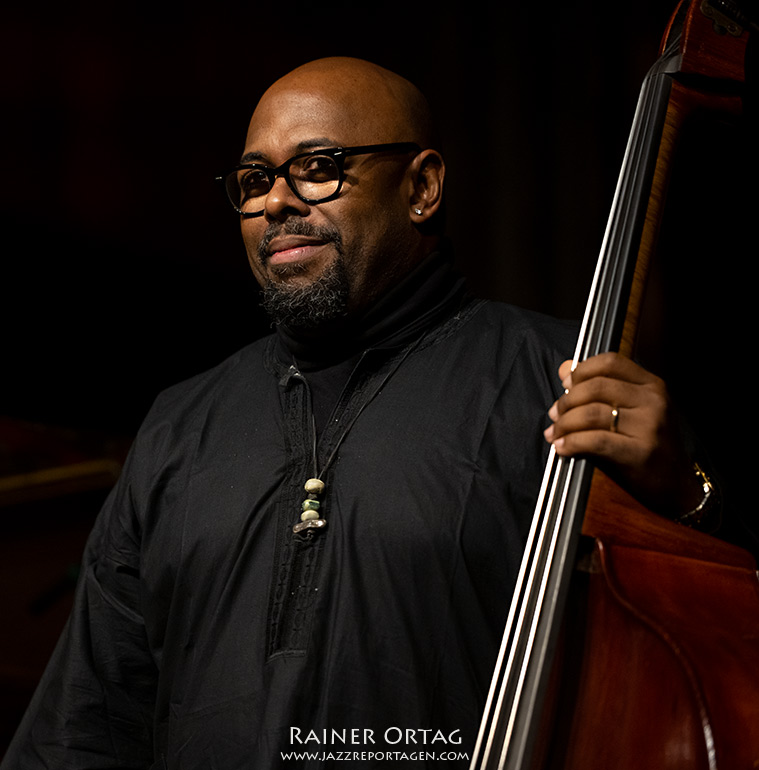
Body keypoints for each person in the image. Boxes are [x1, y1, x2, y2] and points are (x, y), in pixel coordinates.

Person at [2, 57, 710, 769]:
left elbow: (704, 649)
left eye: (318, 167)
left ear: (422, 187)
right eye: (254, 182)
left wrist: (685, 499)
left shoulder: (562, 380)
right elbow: (87, 723)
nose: (277, 202)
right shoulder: (178, 426)